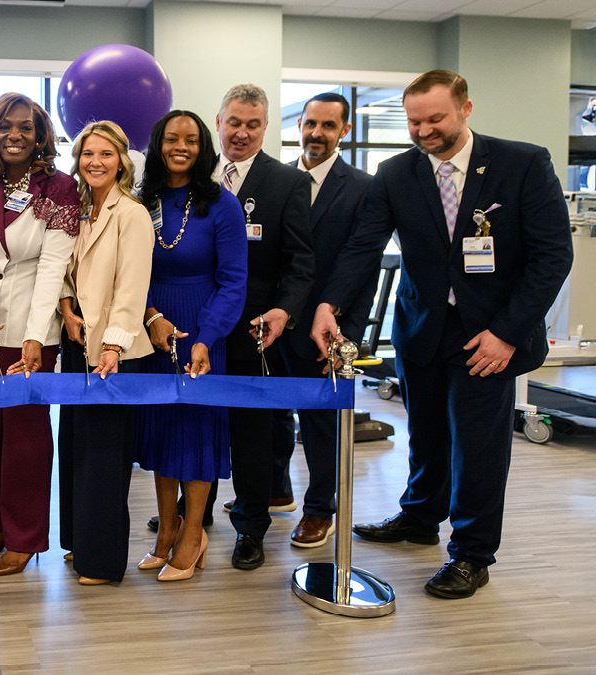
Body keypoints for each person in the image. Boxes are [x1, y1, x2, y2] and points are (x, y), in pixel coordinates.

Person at [312, 70, 572, 598]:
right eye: (414, 121)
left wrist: (506, 333)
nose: (424, 130)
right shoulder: (396, 172)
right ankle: (419, 516)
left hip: (489, 335)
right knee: (426, 432)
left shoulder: (522, 163)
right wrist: (328, 303)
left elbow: (553, 257)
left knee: (478, 447)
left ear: (466, 109)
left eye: (436, 119)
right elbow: (364, 246)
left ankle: (472, 554)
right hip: (422, 328)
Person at [0, 93, 80, 577]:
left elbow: (53, 266)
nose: (15, 135)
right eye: (5, 126)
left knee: (26, 431)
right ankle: (2, 524)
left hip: (33, 323)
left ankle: (26, 538)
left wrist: (34, 337)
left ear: (40, 135)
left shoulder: (61, 188)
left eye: (25, 127)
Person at [134, 110, 248, 581]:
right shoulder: (141, 201)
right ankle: (166, 532)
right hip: (153, 327)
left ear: (204, 148)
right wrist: (151, 317)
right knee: (162, 433)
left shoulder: (221, 204)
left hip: (205, 330)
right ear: (158, 144)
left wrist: (207, 337)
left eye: (193, 140)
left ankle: (193, 533)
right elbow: (126, 271)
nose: (181, 147)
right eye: (172, 139)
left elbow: (234, 281)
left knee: (197, 434)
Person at [214, 83, 314, 571]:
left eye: (253, 124)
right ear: (219, 122)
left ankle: (251, 526)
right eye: (234, 122)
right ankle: (193, 512)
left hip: (255, 331)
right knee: (196, 422)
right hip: (194, 327)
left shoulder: (286, 183)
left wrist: (285, 310)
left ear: (266, 127)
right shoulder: (192, 178)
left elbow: (300, 261)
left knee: (251, 435)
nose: (242, 132)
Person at [271, 92, 378, 548]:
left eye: (328, 126)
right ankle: (275, 491)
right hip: (274, 321)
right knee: (269, 414)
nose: (317, 133)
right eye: (311, 123)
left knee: (320, 423)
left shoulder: (362, 188)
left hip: (326, 324)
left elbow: (363, 260)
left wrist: (342, 322)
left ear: (344, 131)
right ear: (299, 125)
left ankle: (320, 508)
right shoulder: (275, 180)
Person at [58, 121, 153, 585]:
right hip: (77, 343)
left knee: (105, 457)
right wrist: (66, 310)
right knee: (76, 446)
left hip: (115, 351)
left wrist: (112, 343)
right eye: (87, 153)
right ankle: (79, 543)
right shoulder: (76, 208)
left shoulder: (131, 214)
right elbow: (62, 269)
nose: (95, 162)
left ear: (122, 161)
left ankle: (103, 561)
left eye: (106, 154)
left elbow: (132, 290)